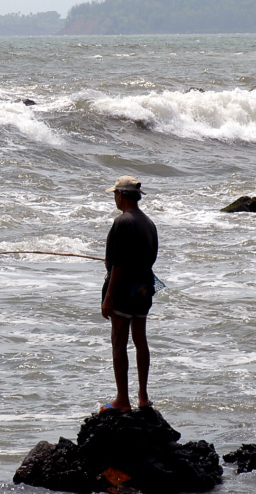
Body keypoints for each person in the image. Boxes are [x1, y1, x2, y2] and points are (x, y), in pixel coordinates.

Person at [100, 175, 158, 412]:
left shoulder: (122, 222)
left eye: (115, 194)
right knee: (140, 340)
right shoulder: (149, 224)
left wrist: (109, 297)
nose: (114, 198)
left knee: (118, 342)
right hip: (144, 288)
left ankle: (122, 400)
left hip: (124, 289)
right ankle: (143, 397)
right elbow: (150, 258)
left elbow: (118, 265)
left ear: (122, 195)